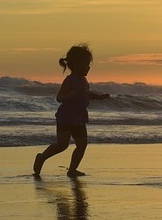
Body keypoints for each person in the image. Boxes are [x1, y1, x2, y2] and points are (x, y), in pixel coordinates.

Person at [34, 44, 110, 178]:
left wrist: (99, 96)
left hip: (79, 117)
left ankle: (72, 169)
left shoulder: (83, 80)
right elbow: (59, 97)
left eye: (88, 64)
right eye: (85, 64)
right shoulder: (70, 80)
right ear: (74, 65)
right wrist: (69, 96)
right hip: (66, 117)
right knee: (62, 145)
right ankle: (42, 157)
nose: (88, 67)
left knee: (82, 144)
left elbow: (86, 93)